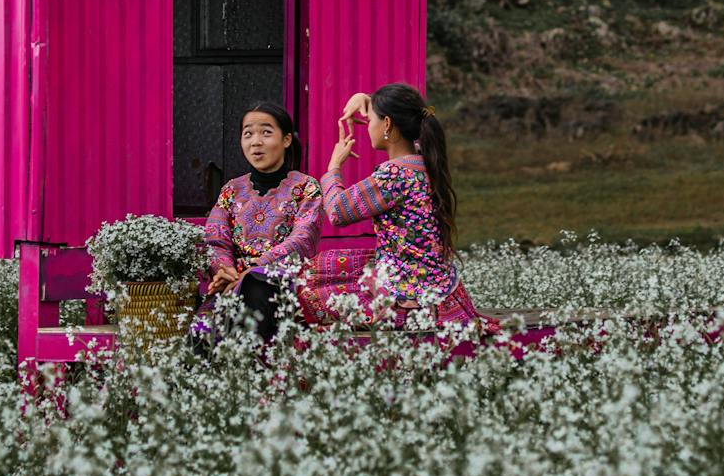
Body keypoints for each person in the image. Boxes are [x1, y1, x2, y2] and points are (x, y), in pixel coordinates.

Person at [312, 83, 497, 332]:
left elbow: (336, 211)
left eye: (371, 121)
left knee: (307, 284)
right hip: (441, 293)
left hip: (407, 297)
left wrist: (334, 166)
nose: (367, 128)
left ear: (387, 124)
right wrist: (365, 98)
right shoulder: (424, 161)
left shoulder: (393, 175)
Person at [192, 103, 322, 344]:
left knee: (255, 289)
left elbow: (302, 240)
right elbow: (215, 239)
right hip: (232, 284)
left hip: (279, 283)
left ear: (285, 140)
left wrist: (255, 268)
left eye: (266, 132)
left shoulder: (306, 187)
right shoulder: (232, 189)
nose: (255, 142)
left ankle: (246, 374)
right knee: (201, 334)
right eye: (248, 133)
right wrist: (224, 270)